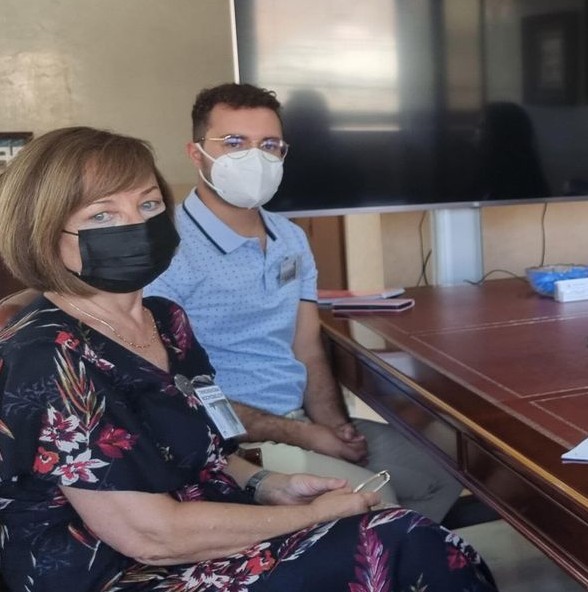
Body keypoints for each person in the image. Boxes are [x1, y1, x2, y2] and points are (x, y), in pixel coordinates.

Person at [0, 126, 507, 592]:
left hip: (204, 532)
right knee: (395, 540)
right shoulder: (48, 356)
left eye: (147, 206)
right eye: (102, 215)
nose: (136, 227)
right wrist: (315, 515)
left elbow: (204, 445)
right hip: (122, 574)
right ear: (44, 236)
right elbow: (151, 537)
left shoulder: (164, 319)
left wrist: (267, 485)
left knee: (403, 540)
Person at [145, 84, 462, 520]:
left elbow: (308, 348)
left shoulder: (290, 238)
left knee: (441, 477)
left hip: (301, 421)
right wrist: (304, 435)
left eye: (269, 145)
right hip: (232, 442)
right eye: (234, 143)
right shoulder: (167, 249)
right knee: (374, 508)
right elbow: (175, 390)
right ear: (197, 153)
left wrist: (332, 425)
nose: (254, 157)